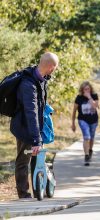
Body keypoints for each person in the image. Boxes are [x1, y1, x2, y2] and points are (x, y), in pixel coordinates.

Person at [10, 52, 59, 199]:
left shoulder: (40, 79)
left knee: (36, 157)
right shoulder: (28, 84)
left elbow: (38, 108)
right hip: (24, 127)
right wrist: (36, 140)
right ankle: (24, 194)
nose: (54, 70)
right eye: (55, 67)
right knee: (23, 160)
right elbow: (31, 113)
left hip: (35, 126)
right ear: (51, 67)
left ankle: (38, 191)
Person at [72, 81, 99, 166]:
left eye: (88, 89)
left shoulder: (94, 96)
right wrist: (73, 123)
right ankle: (86, 155)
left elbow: (96, 106)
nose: (87, 90)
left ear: (91, 89)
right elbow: (74, 111)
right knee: (87, 137)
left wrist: (89, 97)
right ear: (82, 90)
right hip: (83, 120)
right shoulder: (79, 98)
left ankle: (90, 150)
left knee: (92, 137)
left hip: (94, 120)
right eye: (85, 89)